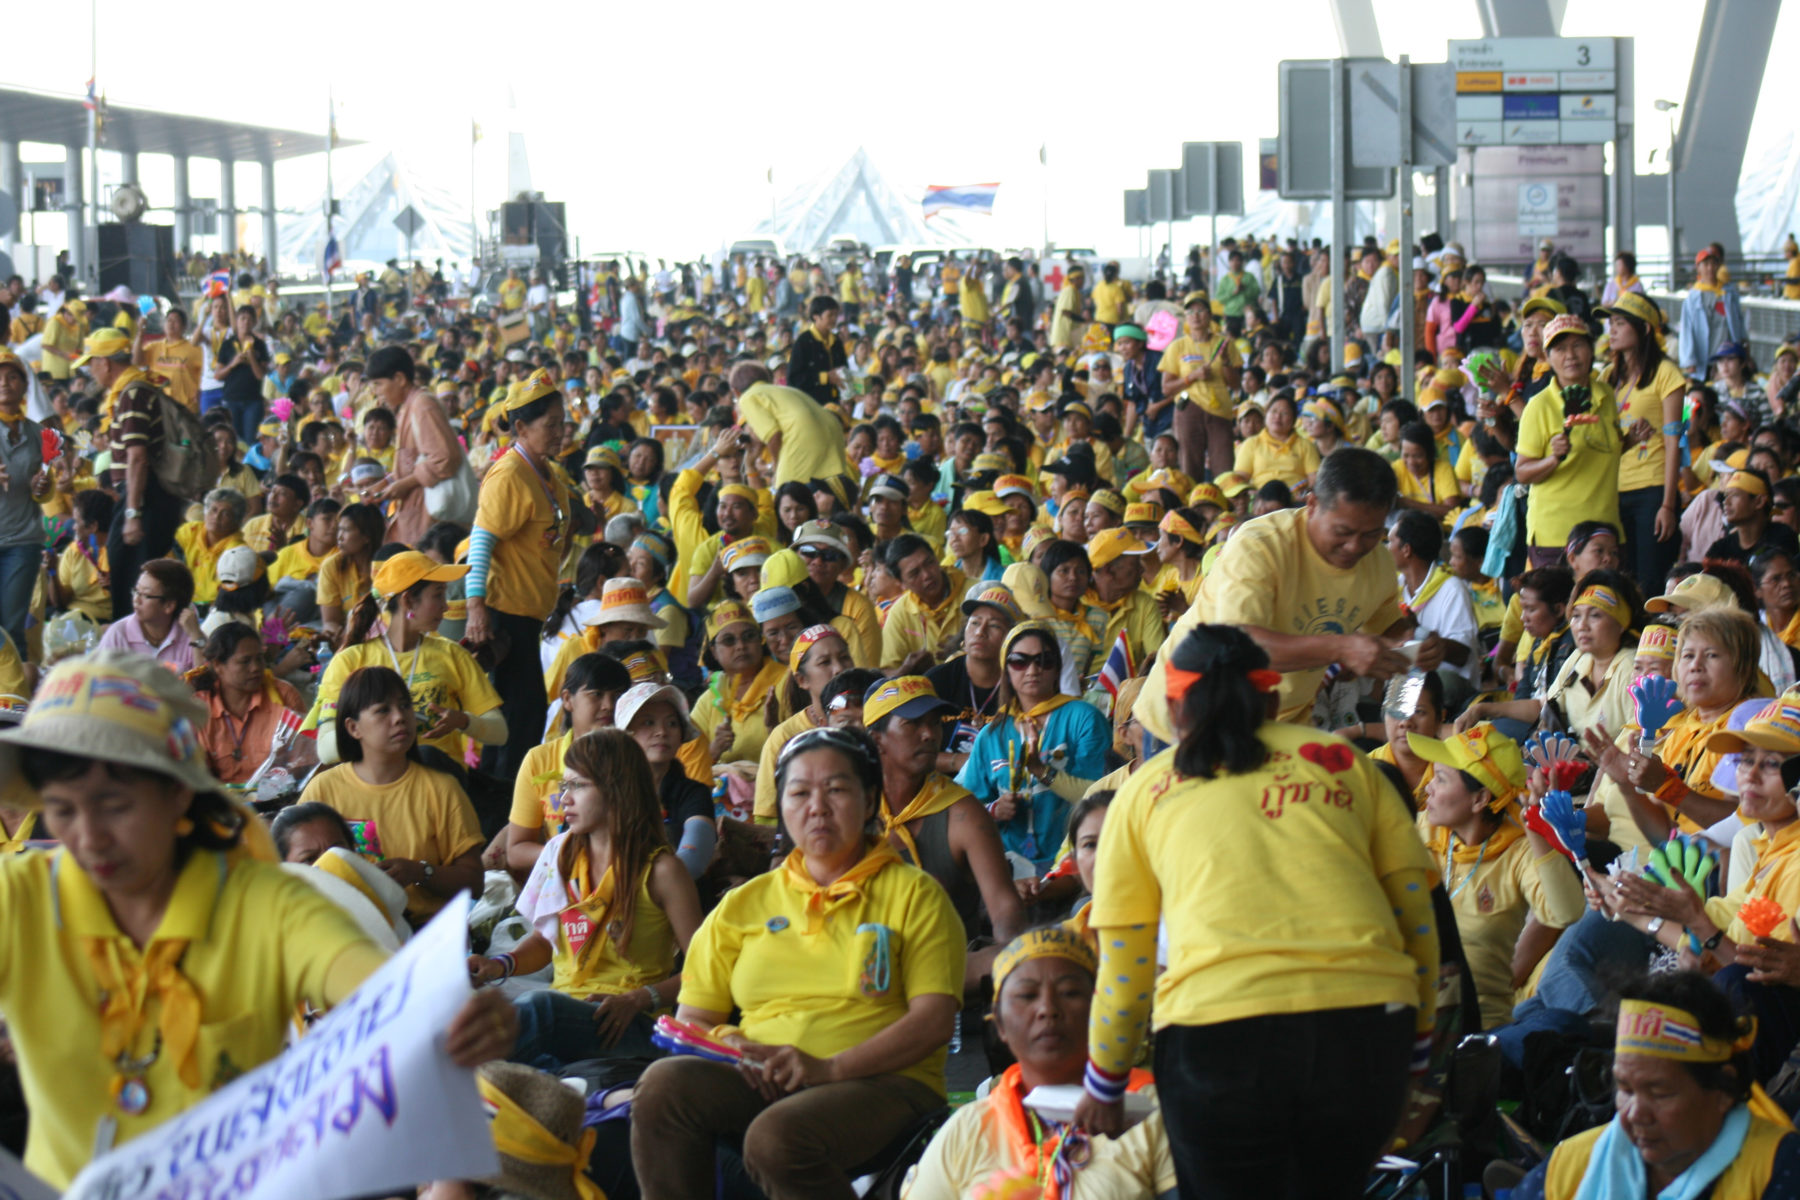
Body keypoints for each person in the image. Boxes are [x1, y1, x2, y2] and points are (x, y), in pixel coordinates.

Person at [0, 650, 516, 1188]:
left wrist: (450, 1014)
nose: (87, 838)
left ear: (177, 794)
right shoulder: (22, 897)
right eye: (62, 809)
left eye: (115, 806)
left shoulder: (266, 905)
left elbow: (376, 986)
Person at [1075, 625, 1438, 1199]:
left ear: (1172, 708)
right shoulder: (1342, 760)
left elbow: (1127, 971)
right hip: (1367, 1030)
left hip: (1217, 1039)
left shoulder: (1142, 793)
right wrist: (1416, 1049)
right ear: (1271, 700)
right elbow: (1418, 921)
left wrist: (1104, 1084)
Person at [628, 725, 965, 1200]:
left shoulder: (915, 894)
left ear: (870, 801)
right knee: (664, 1085)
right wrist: (735, 1047)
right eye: (799, 792)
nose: (817, 808)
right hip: (764, 1076)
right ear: (782, 807)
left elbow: (932, 1021)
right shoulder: (744, 903)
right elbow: (694, 1021)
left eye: (837, 790)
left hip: (884, 1083)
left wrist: (829, 1069)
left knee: (778, 1138)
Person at [1139, 446, 1436, 741]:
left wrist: (1414, 647)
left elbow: (1390, 631)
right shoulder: (1259, 545)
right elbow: (1240, 647)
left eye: (1372, 534)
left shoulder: (1379, 564)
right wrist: (1341, 649)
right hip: (1191, 717)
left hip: (1280, 723)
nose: (1355, 547)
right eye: (1343, 532)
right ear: (1312, 504)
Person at [471, 728, 703, 1069]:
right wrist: (498, 965)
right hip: (567, 1015)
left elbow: (706, 971)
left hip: (631, 1023)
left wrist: (638, 999)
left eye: (578, 786)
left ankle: (451, 1078)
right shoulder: (558, 853)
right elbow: (543, 941)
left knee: (540, 1009)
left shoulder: (663, 871)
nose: (564, 798)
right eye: (564, 786)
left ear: (616, 788)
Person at [904, 924, 1176, 1199]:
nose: (1048, 1009)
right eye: (1027, 996)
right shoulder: (967, 1130)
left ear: (1098, 1012)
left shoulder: (1151, 1113)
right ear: (999, 1023)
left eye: (1069, 992)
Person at [1513, 972, 1800, 1199]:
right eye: (1625, 1089)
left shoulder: (1777, 1168)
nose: (1635, 1114)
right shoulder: (1570, 1166)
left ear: (1723, 1089)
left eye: (1660, 1093)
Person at [1409, 723, 1585, 1029]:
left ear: (1479, 799)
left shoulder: (1518, 853)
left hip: (1477, 1025)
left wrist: (1535, 828)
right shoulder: (1423, 828)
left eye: (1440, 779)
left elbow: (1567, 912)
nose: (1428, 788)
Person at [300, 665, 485, 923]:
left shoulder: (442, 789)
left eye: (405, 706)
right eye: (383, 710)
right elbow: (294, 870)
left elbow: (474, 881)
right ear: (354, 728)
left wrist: (421, 872)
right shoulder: (322, 789)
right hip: (347, 932)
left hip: (426, 934)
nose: (399, 717)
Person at [1584, 603, 1761, 855]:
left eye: (1711, 655)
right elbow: (1662, 838)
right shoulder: (1683, 729)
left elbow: (1748, 824)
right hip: (1675, 865)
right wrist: (1626, 786)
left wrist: (1669, 787)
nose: (1695, 666)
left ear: (1742, 665)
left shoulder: (1750, 723)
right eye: (1688, 656)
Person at [466, 372, 573, 778]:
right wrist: (477, 608)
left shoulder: (544, 472)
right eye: (551, 426)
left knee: (518, 713)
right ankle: (505, 807)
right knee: (518, 715)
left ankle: (502, 800)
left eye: (563, 424)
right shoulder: (510, 474)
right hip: (503, 615)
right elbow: (481, 543)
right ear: (523, 428)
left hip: (528, 616)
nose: (560, 433)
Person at [306, 550, 504, 765]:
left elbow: (499, 732)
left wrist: (464, 721)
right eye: (438, 595)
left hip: (440, 783)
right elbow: (326, 751)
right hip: (376, 784)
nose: (446, 606)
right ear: (408, 601)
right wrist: (377, 731)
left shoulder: (453, 655)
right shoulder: (350, 661)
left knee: (429, 756)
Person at [956, 622, 1110, 873]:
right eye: (1020, 661)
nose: (1033, 669)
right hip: (1007, 865)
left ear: (1058, 669)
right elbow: (965, 808)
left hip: (1072, 864)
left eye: (1044, 660)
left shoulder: (1084, 717)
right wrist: (994, 809)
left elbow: (1099, 798)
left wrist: (1042, 771)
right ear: (1005, 670)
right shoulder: (991, 734)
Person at [83, 329, 185, 620]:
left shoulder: (133, 393)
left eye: (92, 363)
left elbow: (137, 457)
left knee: (134, 586)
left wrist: (132, 513)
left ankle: (136, 655)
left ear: (105, 363)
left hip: (145, 497)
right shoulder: (134, 389)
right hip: (143, 496)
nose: (91, 371)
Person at [1514, 314, 1622, 568]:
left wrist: (1629, 440)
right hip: (1556, 535)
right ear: (1548, 357)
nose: (1570, 355)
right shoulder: (1539, 406)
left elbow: (1603, 449)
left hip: (1605, 531)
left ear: (1591, 350)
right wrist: (1554, 459)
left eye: (1578, 346)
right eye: (1560, 349)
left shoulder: (1605, 395)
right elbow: (1522, 472)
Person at [1605, 291, 1687, 587]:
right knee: (1621, 581)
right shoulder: (1607, 378)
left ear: (1645, 329)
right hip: (1613, 491)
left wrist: (1667, 504)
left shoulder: (1666, 373)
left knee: (1650, 581)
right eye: (1610, 323)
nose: (1611, 330)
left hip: (1652, 489)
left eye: (1620, 323)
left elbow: (1672, 441)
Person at [755, 625, 859, 823]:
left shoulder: (874, 718)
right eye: (825, 662)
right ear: (802, 680)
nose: (839, 669)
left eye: (844, 657)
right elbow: (766, 819)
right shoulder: (785, 737)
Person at [616, 680, 718, 879]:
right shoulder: (604, 791)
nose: (662, 732)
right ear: (626, 734)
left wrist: (649, 890)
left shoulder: (692, 793)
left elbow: (694, 858)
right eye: (648, 722)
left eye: (672, 723)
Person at [366, 346, 465, 547]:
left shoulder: (422, 406)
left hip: (430, 519)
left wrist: (404, 484)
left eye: (378, 384)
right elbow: (412, 463)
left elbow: (446, 459)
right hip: (415, 517)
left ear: (400, 379)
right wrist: (385, 484)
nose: (375, 392)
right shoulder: (407, 408)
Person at [189, 622, 304, 785]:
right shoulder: (200, 708)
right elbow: (196, 774)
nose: (256, 668)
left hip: (277, 797)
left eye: (259, 659)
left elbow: (302, 763)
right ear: (218, 666)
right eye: (245, 661)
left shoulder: (284, 697)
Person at [1159, 291, 1241, 480]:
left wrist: (1227, 362)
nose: (1195, 316)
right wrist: (1192, 377)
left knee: (1224, 467)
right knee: (1189, 465)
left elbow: (1236, 384)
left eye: (1201, 310)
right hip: (1189, 409)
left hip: (1220, 411)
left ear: (1209, 315)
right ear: (1186, 317)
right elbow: (1167, 388)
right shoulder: (1178, 346)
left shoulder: (1224, 343)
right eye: (1190, 311)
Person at [0, 349, 48, 651]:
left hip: (23, 540)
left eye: (12, 376)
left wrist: (41, 485)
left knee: (11, 624)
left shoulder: (39, 434)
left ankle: (13, 697)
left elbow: (47, 489)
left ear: (24, 385)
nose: (5, 383)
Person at [97, 559, 203, 674]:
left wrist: (196, 636)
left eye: (146, 595)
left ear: (169, 605)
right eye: (136, 592)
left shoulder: (189, 635)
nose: (136, 600)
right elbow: (98, 679)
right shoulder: (118, 634)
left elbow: (204, 684)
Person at [879, 534, 967, 671]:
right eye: (915, 573)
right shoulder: (900, 612)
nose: (927, 575)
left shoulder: (975, 592)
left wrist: (968, 650)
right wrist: (907, 670)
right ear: (901, 584)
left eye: (929, 563)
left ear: (938, 560)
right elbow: (887, 671)